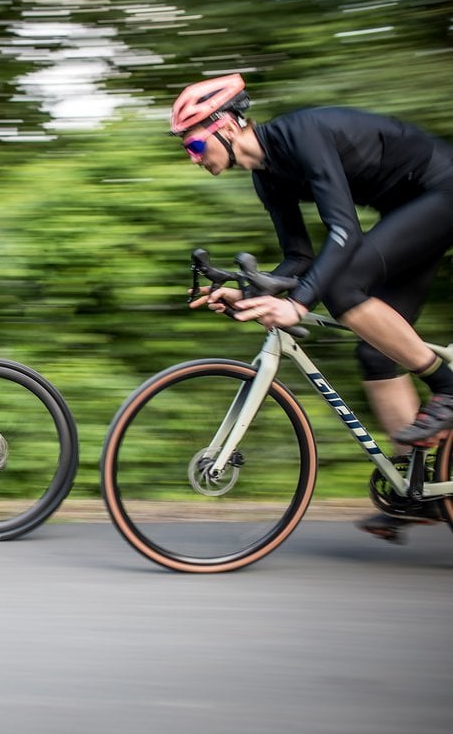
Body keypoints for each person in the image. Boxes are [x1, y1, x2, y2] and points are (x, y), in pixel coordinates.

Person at [172, 74, 453, 542]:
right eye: (188, 150)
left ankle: (448, 385)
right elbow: (299, 260)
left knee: (343, 289)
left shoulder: (302, 134)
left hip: (441, 191)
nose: (193, 158)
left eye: (196, 145)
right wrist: (244, 291)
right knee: (377, 352)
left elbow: (344, 232)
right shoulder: (268, 178)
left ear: (228, 125)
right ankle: (418, 489)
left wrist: (298, 305)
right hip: (409, 210)